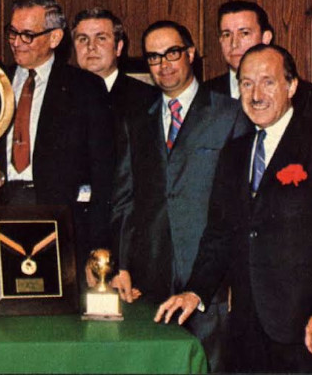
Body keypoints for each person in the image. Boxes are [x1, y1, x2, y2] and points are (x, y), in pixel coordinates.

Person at [155, 44, 312, 372]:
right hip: (247, 327)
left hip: (307, 329)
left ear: (291, 86)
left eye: (268, 82)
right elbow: (219, 233)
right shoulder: (234, 152)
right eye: (246, 83)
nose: (256, 94)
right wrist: (195, 291)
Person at [108, 20, 251, 371]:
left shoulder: (230, 114)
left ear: (190, 54)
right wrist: (122, 263)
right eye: (154, 57)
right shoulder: (138, 120)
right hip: (150, 278)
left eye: (172, 53)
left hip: (212, 281)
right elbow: (126, 199)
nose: (163, 65)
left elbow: (243, 206)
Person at [0, 0, 115, 277]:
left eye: (27, 34)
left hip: (62, 219)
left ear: (55, 38)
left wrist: (98, 246)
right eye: (12, 32)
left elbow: (103, 173)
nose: (16, 42)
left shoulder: (85, 88)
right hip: (1, 209)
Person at [205, 0, 312, 118]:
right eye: (227, 35)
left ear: (265, 38)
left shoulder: (302, 94)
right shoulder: (205, 93)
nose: (234, 44)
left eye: (245, 33)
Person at [72, 7, 158, 114]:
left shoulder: (148, 98)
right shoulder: (60, 97)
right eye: (83, 39)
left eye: (101, 38)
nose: (91, 46)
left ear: (118, 48)